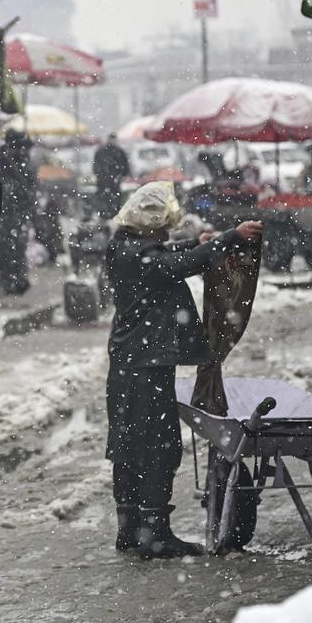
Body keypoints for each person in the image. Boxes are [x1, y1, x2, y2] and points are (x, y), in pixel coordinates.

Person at [104, 181, 262, 559]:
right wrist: (229, 238)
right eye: (163, 227)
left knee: (127, 445)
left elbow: (164, 255)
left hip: (129, 361)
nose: (166, 233)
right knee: (159, 446)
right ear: (149, 225)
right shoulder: (143, 257)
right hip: (147, 364)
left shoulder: (123, 247)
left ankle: (130, 528)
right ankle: (155, 534)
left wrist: (198, 241)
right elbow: (177, 264)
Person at [0, 130, 36, 296]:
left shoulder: (20, 162)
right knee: (7, 248)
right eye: (24, 148)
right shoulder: (0, 162)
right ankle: (10, 281)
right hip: (5, 213)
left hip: (19, 212)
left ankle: (18, 280)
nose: (26, 153)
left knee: (18, 246)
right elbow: (1, 188)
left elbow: (30, 185)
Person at [92, 133, 130, 219]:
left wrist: (100, 175)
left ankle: (104, 215)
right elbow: (125, 167)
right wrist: (120, 175)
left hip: (103, 181)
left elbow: (95, 167)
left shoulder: (101, 151)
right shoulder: (119, 152)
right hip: (114, 181)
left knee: (104, 199)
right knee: (114, 199)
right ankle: (113, 215)